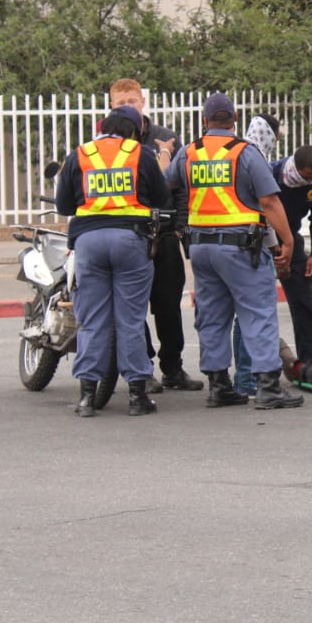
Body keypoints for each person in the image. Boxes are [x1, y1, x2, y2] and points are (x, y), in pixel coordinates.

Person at [164, 92, 305, 410]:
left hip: (201, 249)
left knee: (212, 316)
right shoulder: (245, 153)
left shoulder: (189, 153)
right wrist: (288, 240)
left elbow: (166, 185)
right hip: (241, 249)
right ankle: (267, 387)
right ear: (235, 119)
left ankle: (219, 386)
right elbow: (269, 201)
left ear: (204, 121)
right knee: (258, 313)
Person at [54, 105, 171, 417]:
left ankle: (87, 398)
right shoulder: (140, 153)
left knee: (92, 319)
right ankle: (136, 397)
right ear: (130, 132)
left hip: (88, 242)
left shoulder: (80, 154)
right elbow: (161, 198)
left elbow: (65, 204)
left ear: (101, 128)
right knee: (130, 319)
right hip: (130, 241)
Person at [109, 78, 203, 393]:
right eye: (120, 103)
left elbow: (180, 186)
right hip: (129, 238)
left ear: (142, 102)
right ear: (111, 105)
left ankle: (173, 368)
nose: (126, 108)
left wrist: (177, 227)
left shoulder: (166, 139)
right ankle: (143, 369)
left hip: (162, 237)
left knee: (167, 307)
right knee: (133, 308)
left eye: (131, 102)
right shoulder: (106, 144)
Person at [230, 113, 283, 397]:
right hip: (249, 246)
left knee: (230, 318)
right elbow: (266, 206)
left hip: (215, 243)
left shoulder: (232, 153)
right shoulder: (254, 157)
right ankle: (250, 380)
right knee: (256, 316)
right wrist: (280, 243)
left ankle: (230, 383)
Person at [271, 144, 312, 372]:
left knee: (305, 299)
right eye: (307, 177)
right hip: (264, 237)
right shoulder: (273, 173)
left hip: (292, 239)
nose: (310, 182)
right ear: (296, 169)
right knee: (259, 305)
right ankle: (261, 368)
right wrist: (276, 249)